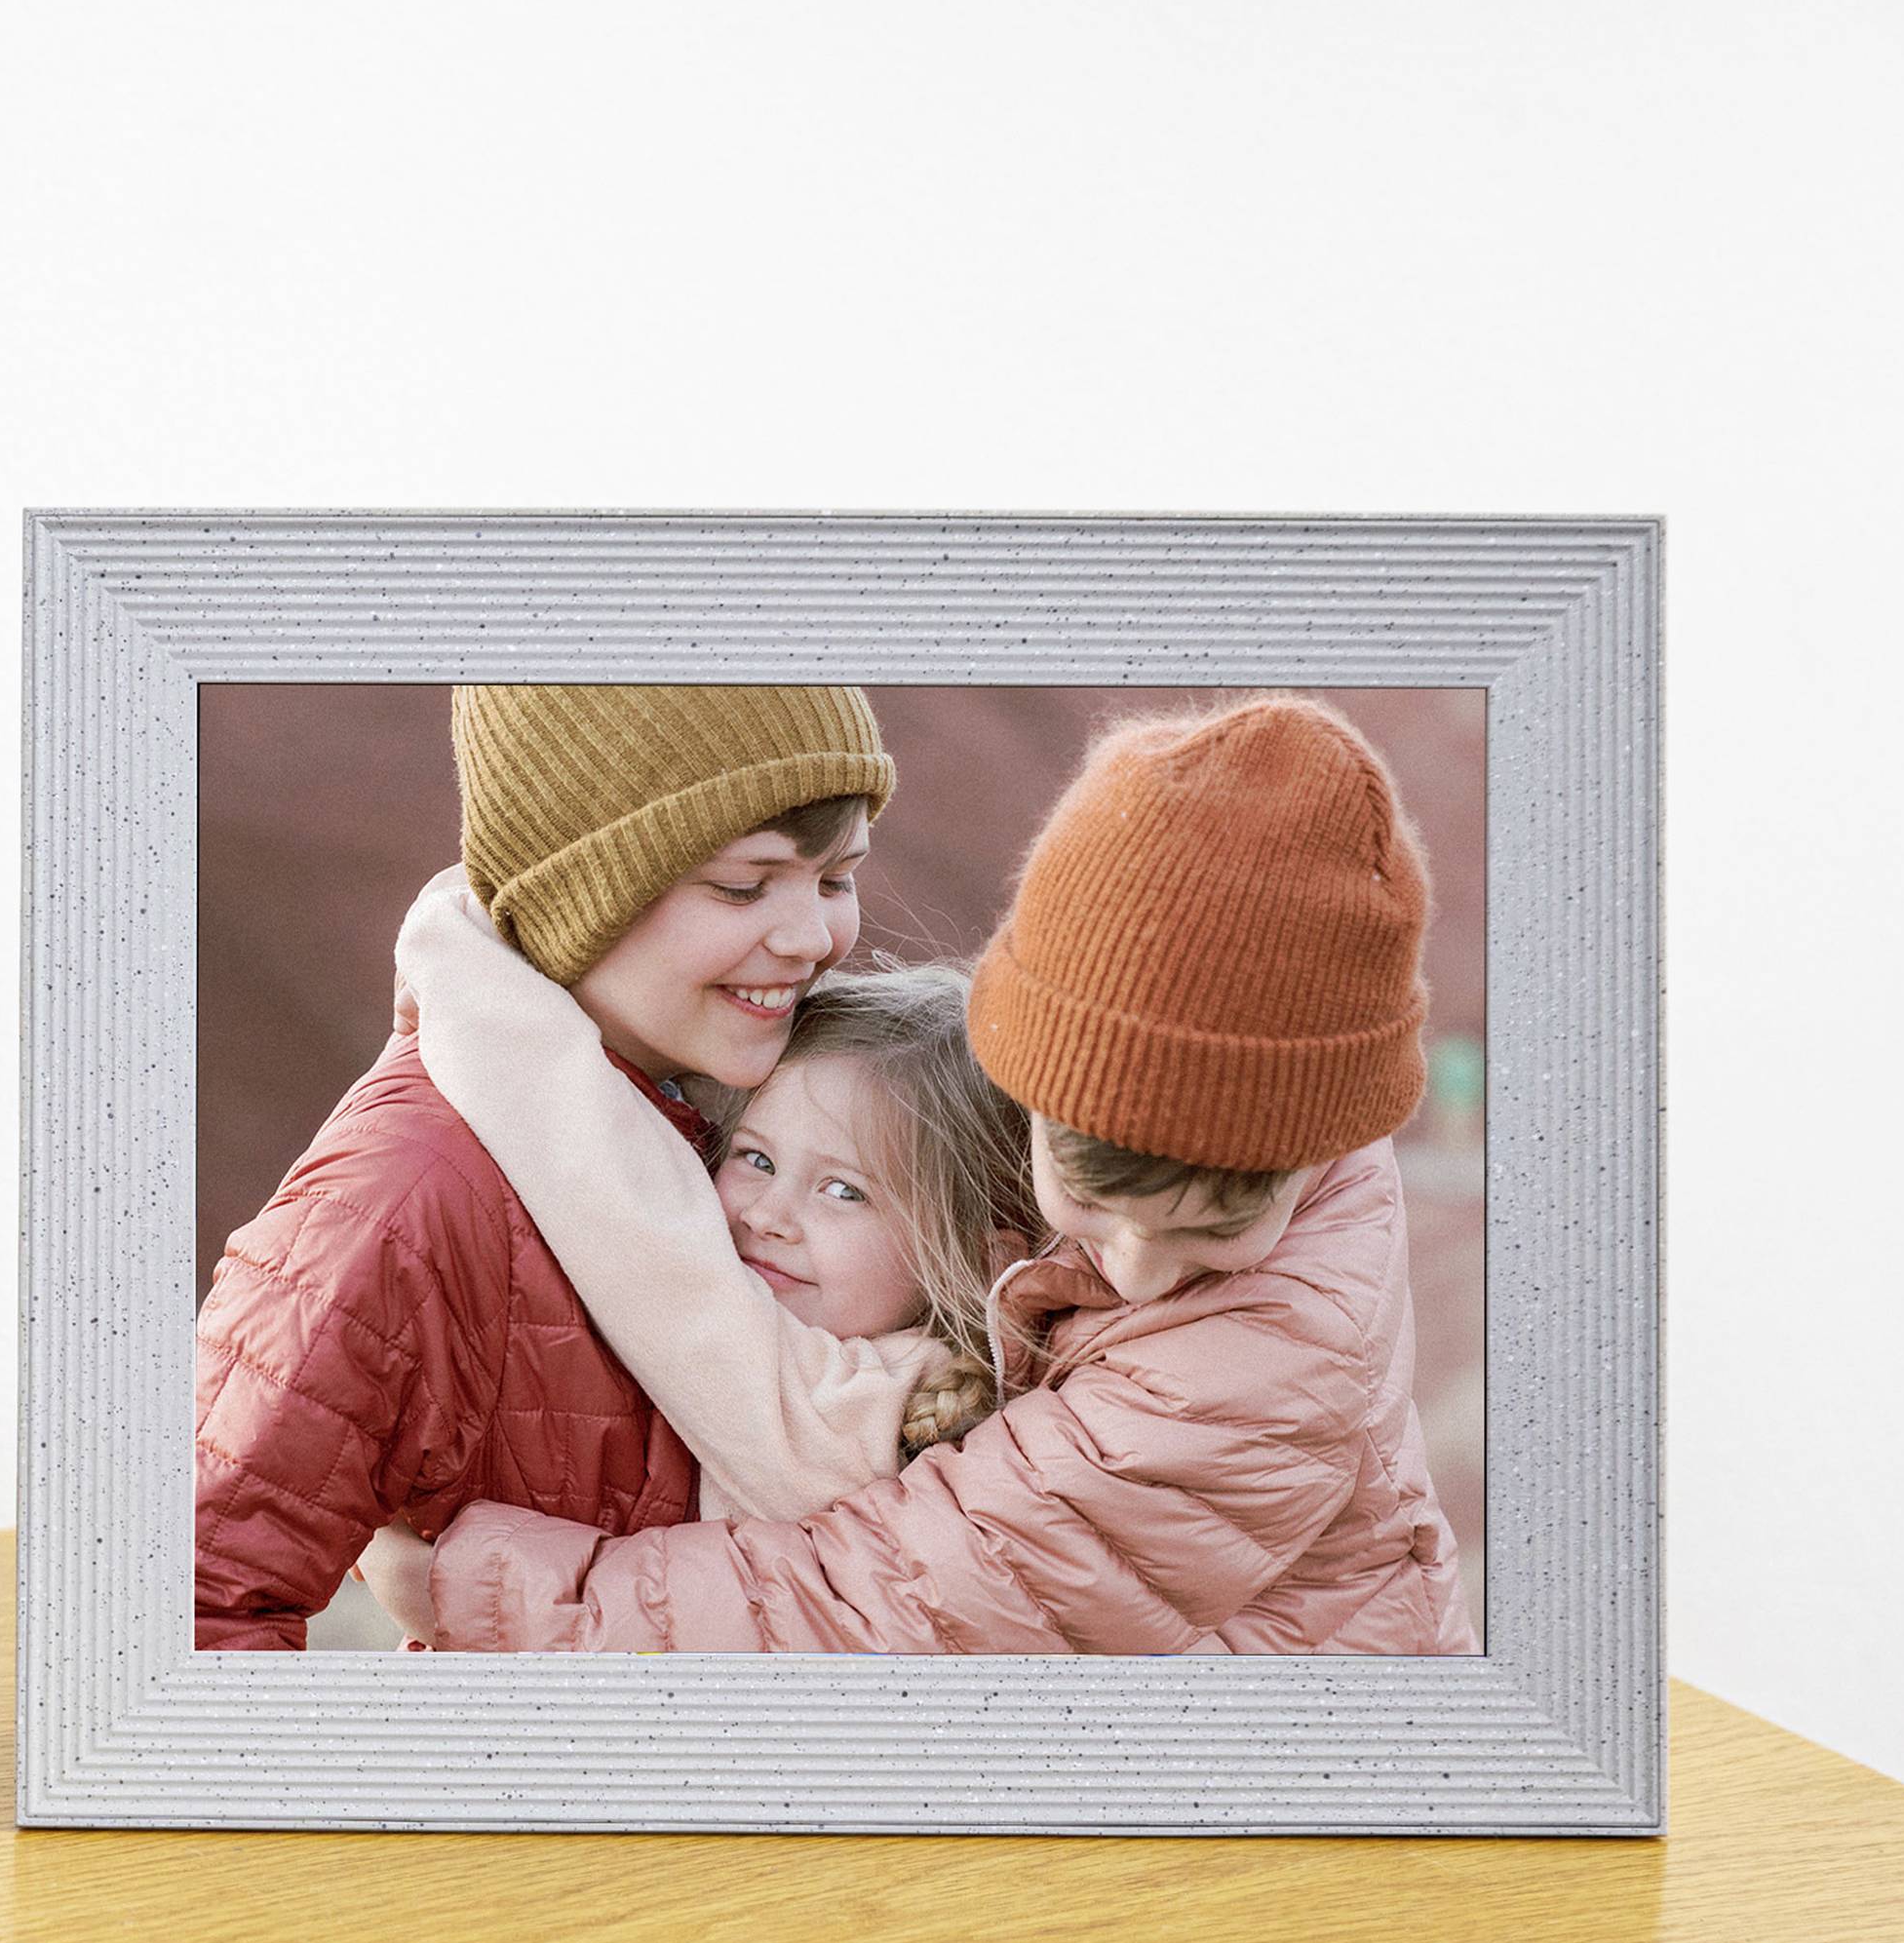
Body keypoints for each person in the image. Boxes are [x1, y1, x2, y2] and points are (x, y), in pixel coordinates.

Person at [411, 696, 1481, 1656]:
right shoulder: (1225, 1099)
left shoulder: (1261, 1365)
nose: (1142, 1273)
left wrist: (504, 1591)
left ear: (1308, 1153)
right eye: (1093, 1209)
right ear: (1023, 1079)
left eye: (1209, 1235)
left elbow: (901, 1606)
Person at [193, 681, 897, 1650]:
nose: (812, 938)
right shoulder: (405, 1200)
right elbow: (192, 1608)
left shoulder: (753, 1119)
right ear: (580, 890)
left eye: (835, 880)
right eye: (744, 884)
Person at [384, 870, 1035, 1524]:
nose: (767, 1214)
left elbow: (591, 1164)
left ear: (986, 1264)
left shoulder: (852, 1409)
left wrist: (454, 933)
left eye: (844, 1191)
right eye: (756, 1157)